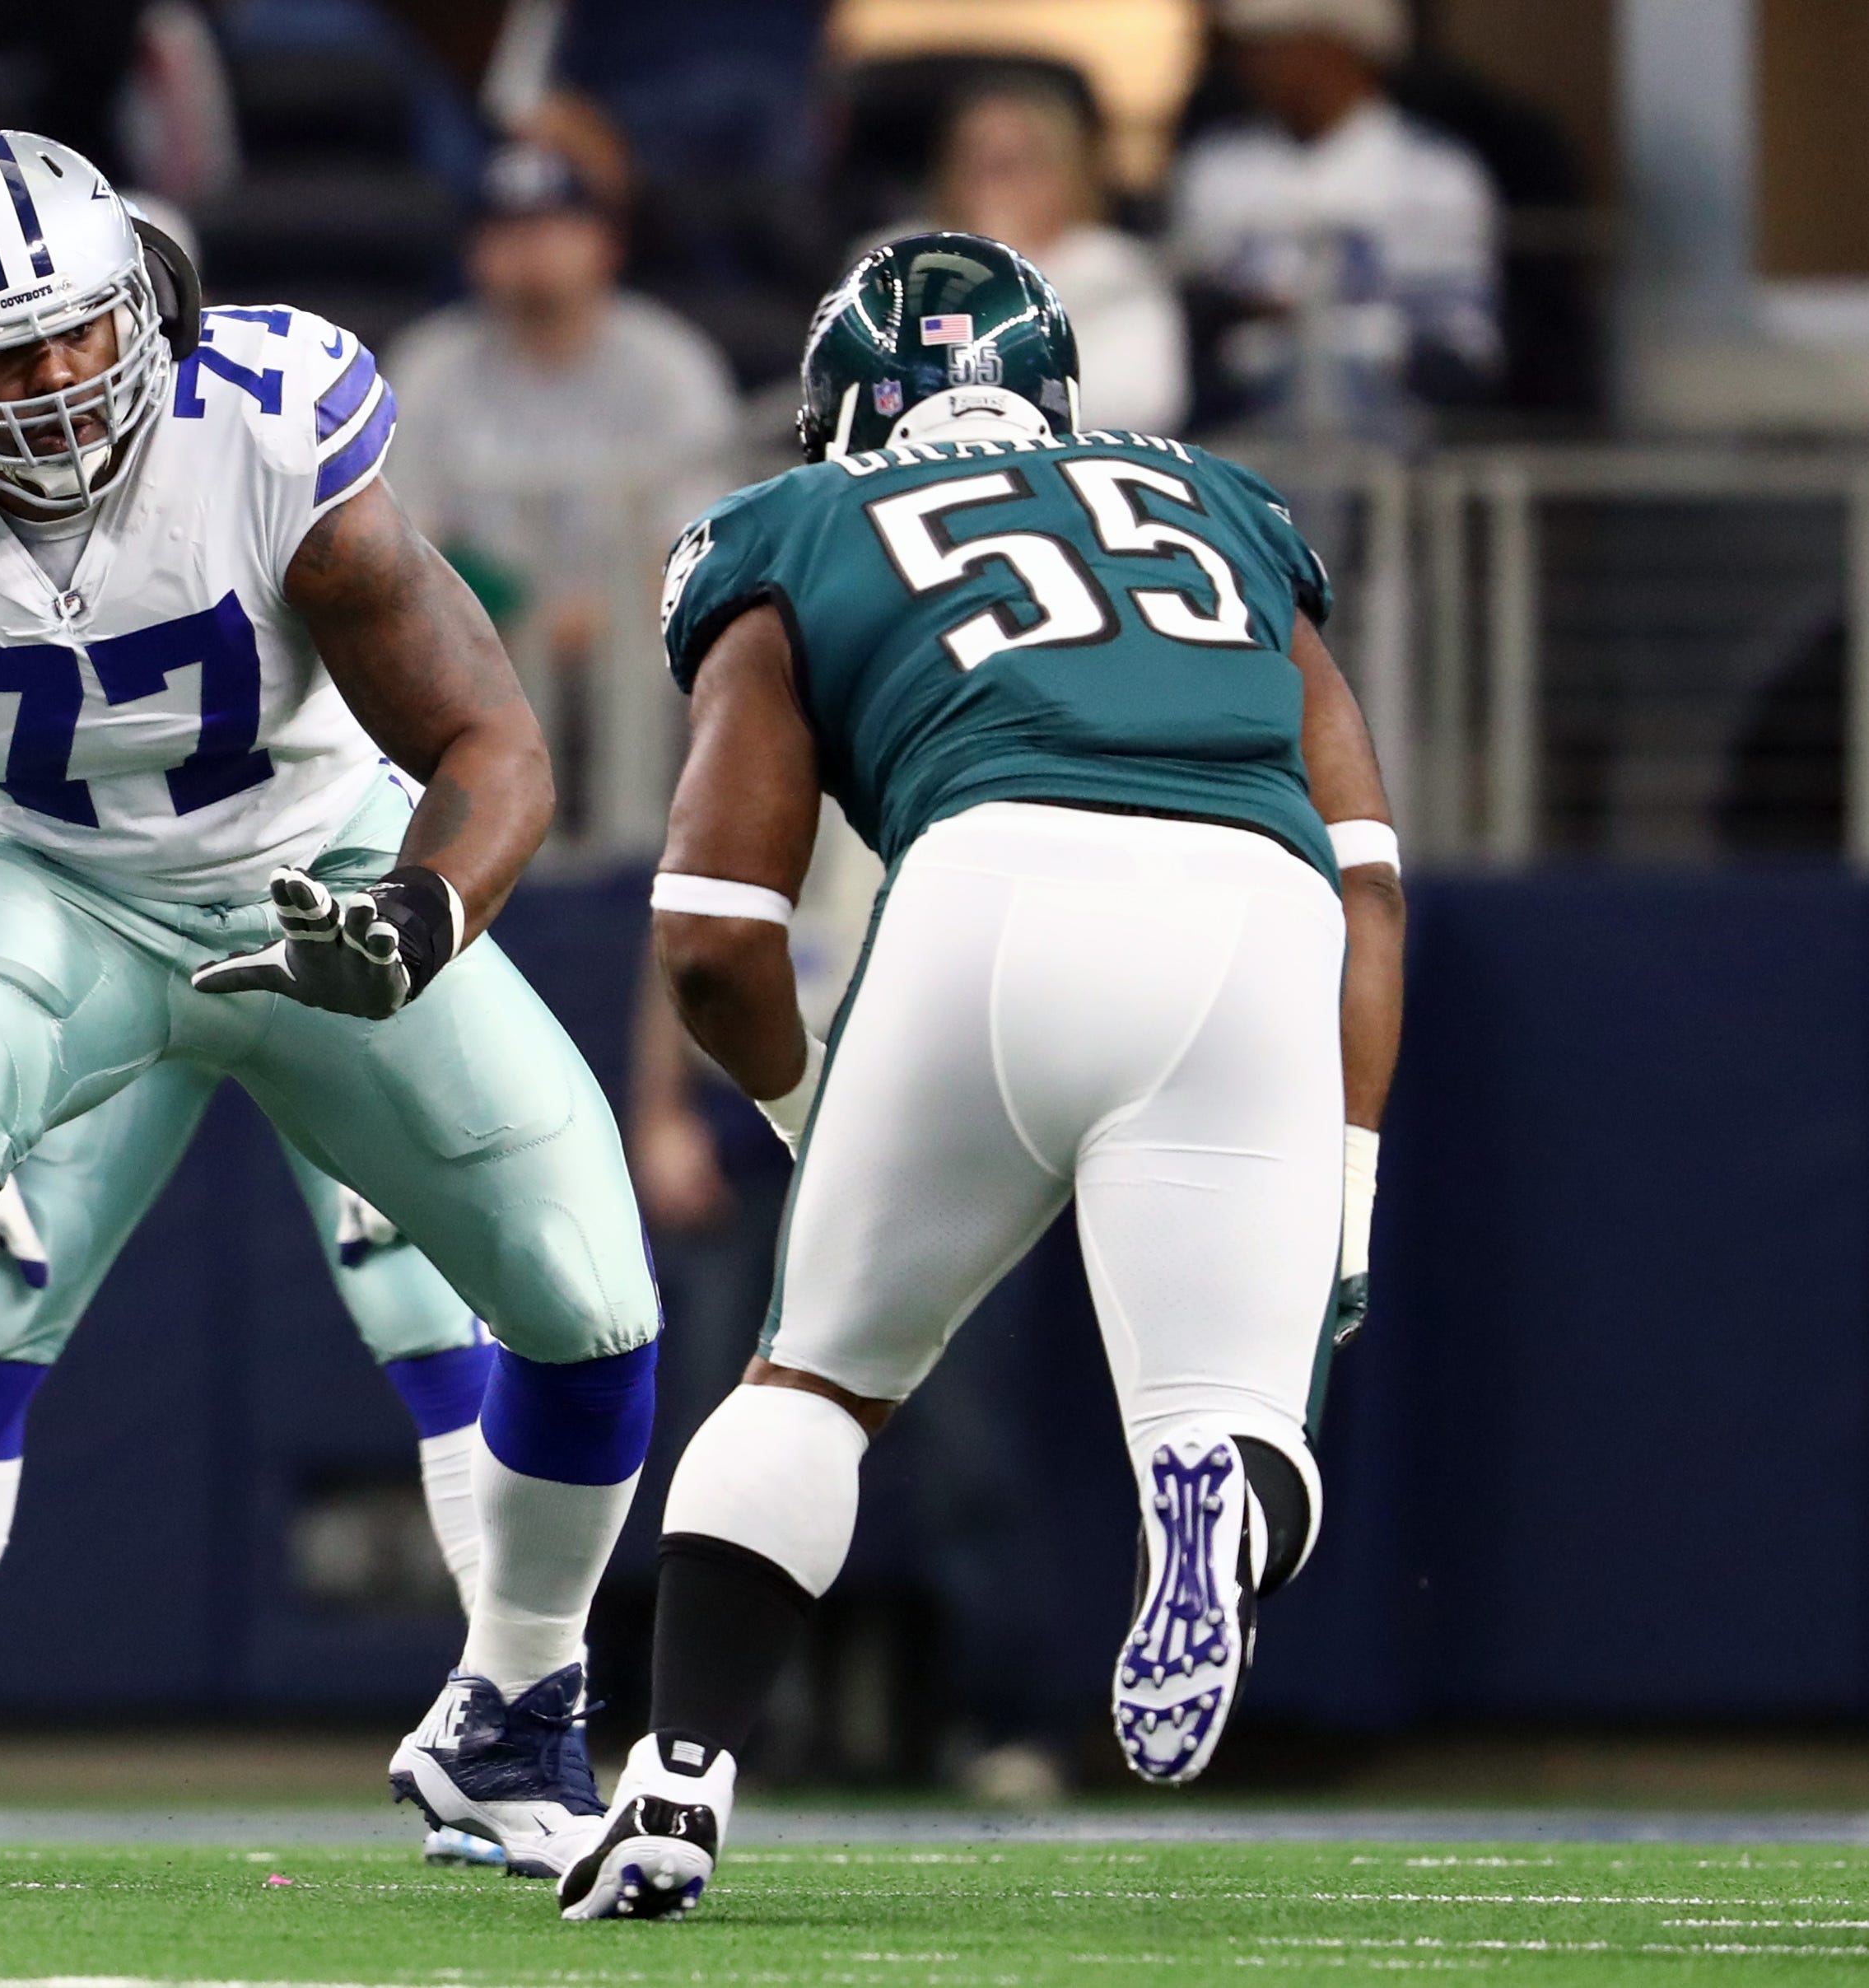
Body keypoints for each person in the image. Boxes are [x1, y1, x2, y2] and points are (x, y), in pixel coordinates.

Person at [0, 131, 662, 1879]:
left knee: (588, 1299)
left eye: (79, 336)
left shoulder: (264, 424)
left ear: (144, 309)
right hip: (53, 888)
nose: (51, 387)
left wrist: (413, 917)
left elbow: (489, 747)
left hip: (308, 873)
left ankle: (518, 1697)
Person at [554, 232, 1405, 1920]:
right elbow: (1366, 872)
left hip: (989, 895)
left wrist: (815, 1111)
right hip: (1255, 917)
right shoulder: (1220, 502)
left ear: (836, 414)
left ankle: (677, 1775)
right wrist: (1353, 1182)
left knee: (816, 1380)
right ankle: (1215, 1504)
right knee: (1243, 1412)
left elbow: (716, 932)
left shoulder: (788, 528)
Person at [0, 684, 509, 1872]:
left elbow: (431, 722)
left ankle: (510, 1723)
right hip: (74, 928)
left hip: (314, 903)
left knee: (429, 1303)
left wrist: (408, 925)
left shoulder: (275, 503)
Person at [387, 142, 737, 864]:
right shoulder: (431, 367)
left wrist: (589, 618)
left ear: (605, 243)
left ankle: (666, 869)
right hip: (477, 655)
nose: (531, 253)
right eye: (507, 232)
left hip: (632, 653)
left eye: (554, 227)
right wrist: (503, 617)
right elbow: (399, 552)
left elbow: (697, 557)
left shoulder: (670, 364)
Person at [1168, 0, 1499, 433]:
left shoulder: (1436, 171)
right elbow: (1191, 321)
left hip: (1395, 423)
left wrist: (1327, 321)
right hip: (1246, 412)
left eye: (1276, 45)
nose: (1254, 65)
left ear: (1338, 47)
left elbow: (1463, 348)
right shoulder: (1215, 167)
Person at [916, 72, 1186, 436]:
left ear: (1067, 170)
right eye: (978, 160)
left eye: (1015, 162)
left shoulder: (1116, 267)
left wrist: (1003, 274)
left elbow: (1145, 403)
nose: (995, 181)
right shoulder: (895, 259)